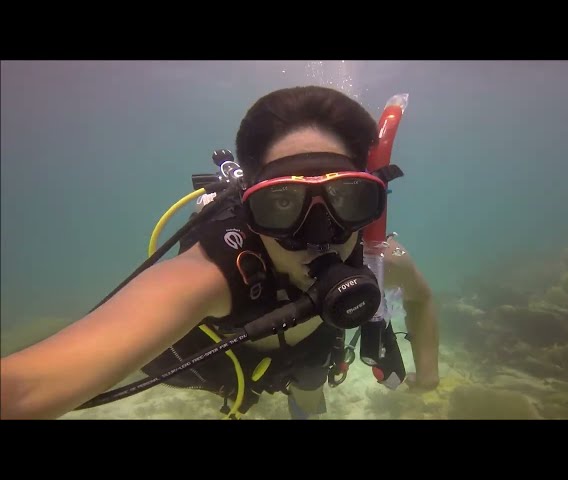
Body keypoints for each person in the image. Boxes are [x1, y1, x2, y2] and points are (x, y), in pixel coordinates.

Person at [0, 85, 439, 420]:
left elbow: (421, 300)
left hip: (308, 351)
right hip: (214, 364)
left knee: (309, 382)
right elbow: (23, 391)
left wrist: (429, 372)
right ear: (250, 211)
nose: (319, 233)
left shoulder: (382, 259)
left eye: (348, 198)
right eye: (283, 204)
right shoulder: (213, 273)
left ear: (373, 201)